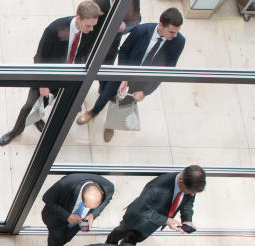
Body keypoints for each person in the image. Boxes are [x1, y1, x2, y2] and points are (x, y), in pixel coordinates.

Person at [76, 7, 187, 144]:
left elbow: (166, 71)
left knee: (124, 104)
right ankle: (93, 112)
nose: (174, 35)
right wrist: (124, 76)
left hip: (143, 82)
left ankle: (111, 126)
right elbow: (123, 51)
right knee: (107, 93)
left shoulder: (179, 42)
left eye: (177, 32)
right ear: (161, 24)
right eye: (171, 32)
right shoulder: (141, 31)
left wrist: (145, 92)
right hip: (125, 71)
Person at [0, 2, 103, 145]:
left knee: (45, 104)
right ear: (78, 18)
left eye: (93, 26)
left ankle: (37, 119)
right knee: (29, 106)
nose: (91, 30)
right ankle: (16, 131)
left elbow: (83, 54)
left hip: (68, 77)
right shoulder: (55, 30)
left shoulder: (88, 32)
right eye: (88, 26)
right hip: (48, 77)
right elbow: (39, 58)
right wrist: (42, 84)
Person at [41, 173, 115, 246]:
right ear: (81, 195)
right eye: (85, 205)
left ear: (102, 193)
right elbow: (47, 199)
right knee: (56, 241)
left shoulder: (109, 188)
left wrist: (92, 215)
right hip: (58, 220)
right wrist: (67, 216)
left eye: (91, 206)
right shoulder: (66, 184)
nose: (87, 208)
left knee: (62, 241)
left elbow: (107, 200)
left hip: (76, 224)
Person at [106, 167, 205, 244]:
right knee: (117, 236)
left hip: (153, 223)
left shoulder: (191, 185)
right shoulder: (157, 187)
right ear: (181, 181)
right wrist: (166, 220)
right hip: (136, 219)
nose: (192, 194)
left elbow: (188, 203)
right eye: (191, 192)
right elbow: (140, 210)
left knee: (131, 243)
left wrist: (187, 220)